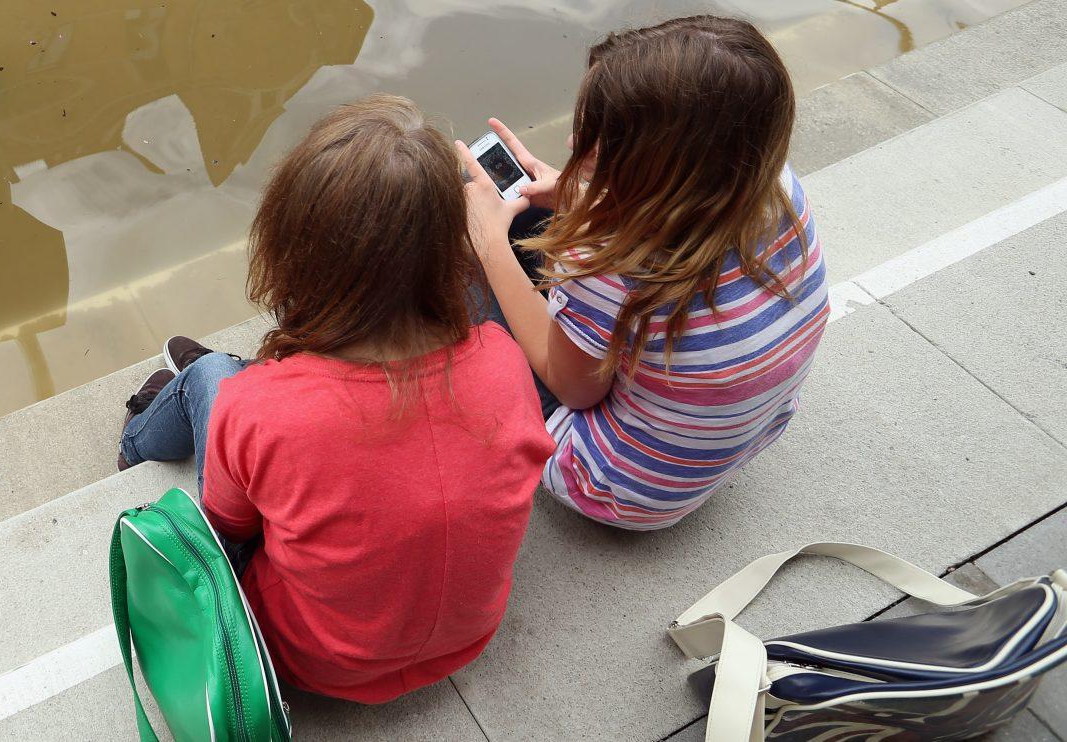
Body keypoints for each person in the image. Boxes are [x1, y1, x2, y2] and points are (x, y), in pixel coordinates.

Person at [116, 94, 554, 703]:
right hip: (467, 638)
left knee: (214, 376)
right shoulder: (503, 357)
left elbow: (226, 528)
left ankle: (137, 439)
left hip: (311, 661)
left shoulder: (260, 407)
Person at [458, 16, 829, 531]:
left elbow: (575, 392)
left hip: (614, 488)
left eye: (597, 137)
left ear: (656, 163)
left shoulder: (604, 262)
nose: (570, 141)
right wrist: (575, 194)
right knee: (533, 214)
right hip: (735, 439)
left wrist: (487, 245)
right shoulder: (776, 190)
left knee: (464, 263)